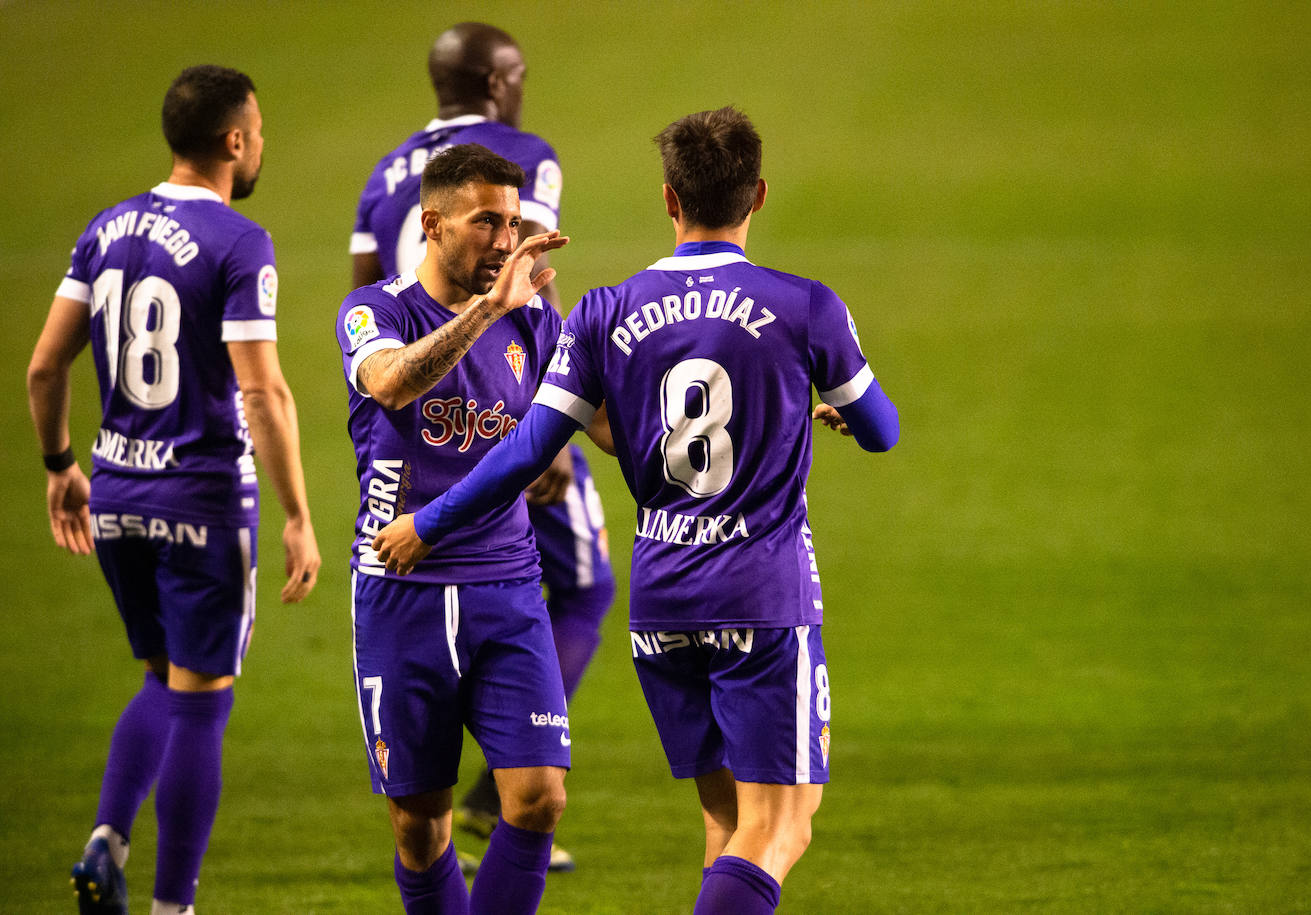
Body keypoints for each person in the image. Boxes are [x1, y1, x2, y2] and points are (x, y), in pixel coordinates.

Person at [371, 106, 901, 915]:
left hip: (662, 602)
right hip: (763, 594)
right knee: (784, 825)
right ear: (758, 194)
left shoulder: (604, 311)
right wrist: (825, 410)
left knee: (725, 819)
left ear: (667, 198)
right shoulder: (805, 306)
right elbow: (884, 430)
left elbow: (523, 452)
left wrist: (429, 520)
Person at [26, 65, 321, 915]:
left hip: (116, 495)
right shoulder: (238, 242)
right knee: (201, 702)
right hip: (201, 500)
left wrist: (59, 467)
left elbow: (47, 365)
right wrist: (299, 516)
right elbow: (262, 392)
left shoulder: (107, 227)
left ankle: (105, 839)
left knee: (161, 678)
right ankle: (173, 906)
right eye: (257, 130)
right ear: (235, 141)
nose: (261, 143)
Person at [349, 22, 614, 870]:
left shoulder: (383, 175)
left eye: (515, 226)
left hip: (501, 575)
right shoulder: (380, 316)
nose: (507, 240)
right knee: (416, 828)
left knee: (537, 796)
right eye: (487, 223)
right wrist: (493, 312)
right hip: (402, 575)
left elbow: (601, 413)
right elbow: (384, 372)